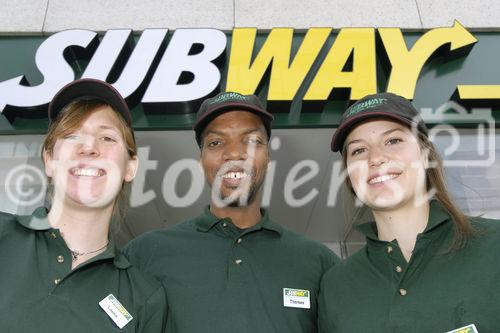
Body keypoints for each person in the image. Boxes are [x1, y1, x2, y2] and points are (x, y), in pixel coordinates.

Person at [125, 91, 339, 333]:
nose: (235, 153)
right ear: (201, 160)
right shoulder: (144, 254)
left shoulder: (319, 262)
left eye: (251, 141)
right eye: (216, 143)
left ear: (267, 157)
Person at [318, 92, 500, 332]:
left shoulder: (493, 246)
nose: (376, 158)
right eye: (359, 150)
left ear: (426, 155)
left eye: (393, 141)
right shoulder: (336, 286)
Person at [0, 79, 167, 332]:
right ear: (49, 160)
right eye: (71, 135)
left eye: (107, 138)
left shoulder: (144, 297)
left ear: (131, 167)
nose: (88, 147)